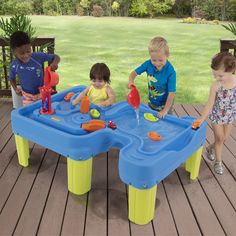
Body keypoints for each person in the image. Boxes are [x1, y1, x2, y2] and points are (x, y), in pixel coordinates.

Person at [195, 52, 236, 175]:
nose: (216, 78)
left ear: (232, 70)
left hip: (230, 116)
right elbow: (209, 104)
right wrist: (201, 119)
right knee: (219, 138)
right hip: (217, 117)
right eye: (214, 75)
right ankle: (218, 162)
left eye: (220, 75)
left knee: (224, 138)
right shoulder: (216, 86)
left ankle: (209, 148)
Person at [128, 36, 176, 118]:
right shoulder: (148, 64)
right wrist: (131, 81)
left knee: (166, 123)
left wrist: (165, 110)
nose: (157, 63)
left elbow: (171, 93)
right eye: (154, 60)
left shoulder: (170, 71)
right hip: (152, 102)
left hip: (166, 104)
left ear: (167, 55)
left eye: (160, 60)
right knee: (151, 121)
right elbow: (133, 73)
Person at [9, 31, 60, 106]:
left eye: (28, 51)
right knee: (29, 115)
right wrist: (15, 89)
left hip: (43, 93)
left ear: (30, 46)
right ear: (14, 52)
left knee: (44, 112)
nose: (26, 55)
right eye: (22, 53)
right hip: (27, 97)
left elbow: (56, 57)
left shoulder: (37, 57)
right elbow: (11, 78)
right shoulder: (14, 65)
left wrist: (54, 63)